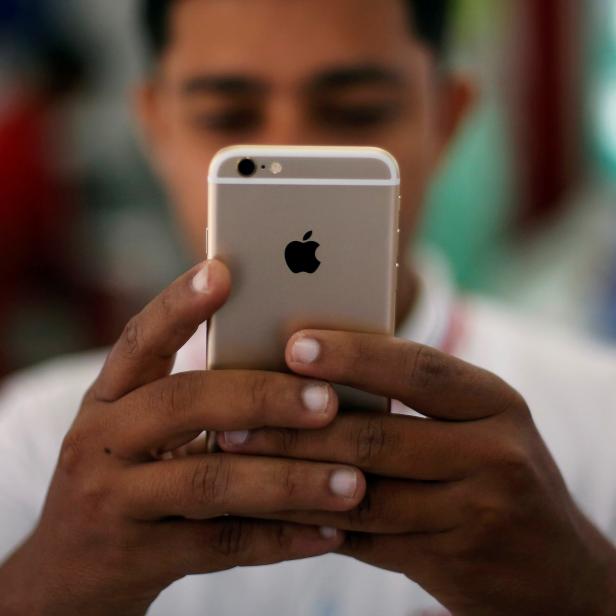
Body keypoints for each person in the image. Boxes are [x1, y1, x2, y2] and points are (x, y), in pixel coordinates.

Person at [1, 1, 615, 614]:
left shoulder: (599, 419)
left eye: (356, 112)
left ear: (446, 119)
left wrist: (586, 592)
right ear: (156, 127)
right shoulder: (35, 444)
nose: (288, 150)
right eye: (227, 115)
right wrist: (49, 586)